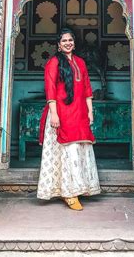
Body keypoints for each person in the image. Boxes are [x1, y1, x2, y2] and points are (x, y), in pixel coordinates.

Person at [37, 28, 100, 210]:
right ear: (58, 44)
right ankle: (68, 193)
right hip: (61, 112)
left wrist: (90, 111)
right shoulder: (54, 63)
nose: (68, 43)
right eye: (64, 41)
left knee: (79, 149)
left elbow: (87, 88)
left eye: (70, 40)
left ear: (74, 43)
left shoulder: (80, 62)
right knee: (67, 151)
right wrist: (54, 114)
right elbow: (50, 90)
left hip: (79, 113)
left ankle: (79, 187)